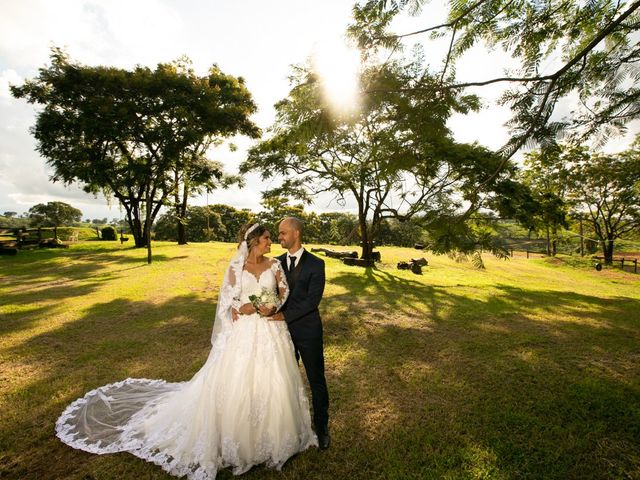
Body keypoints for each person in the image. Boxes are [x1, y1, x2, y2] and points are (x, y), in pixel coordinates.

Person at [55, 223, 317, 480]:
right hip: (245, 332)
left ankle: (276, 436)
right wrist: (243, 306)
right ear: (254, 241)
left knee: (275, 380)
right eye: (267, 238)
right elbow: (228, 299)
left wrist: (273, 306)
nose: (271, 242)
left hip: (271, 331)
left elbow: (284, 291)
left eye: (272, 237)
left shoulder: (274, 265)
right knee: (238, 380)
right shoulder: (237, 267)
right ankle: (238, 437)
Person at [269, 217, 330, 450]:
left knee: (316, 380)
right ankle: (292, 425)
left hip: (308, 331)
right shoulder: (276, 263)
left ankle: (322, 427)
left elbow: (312, 301)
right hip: (281, 333)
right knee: (286, 379)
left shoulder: (317, 264)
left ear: (296, 233)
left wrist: (284, 315)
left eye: (283, 233)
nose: (279, 237)